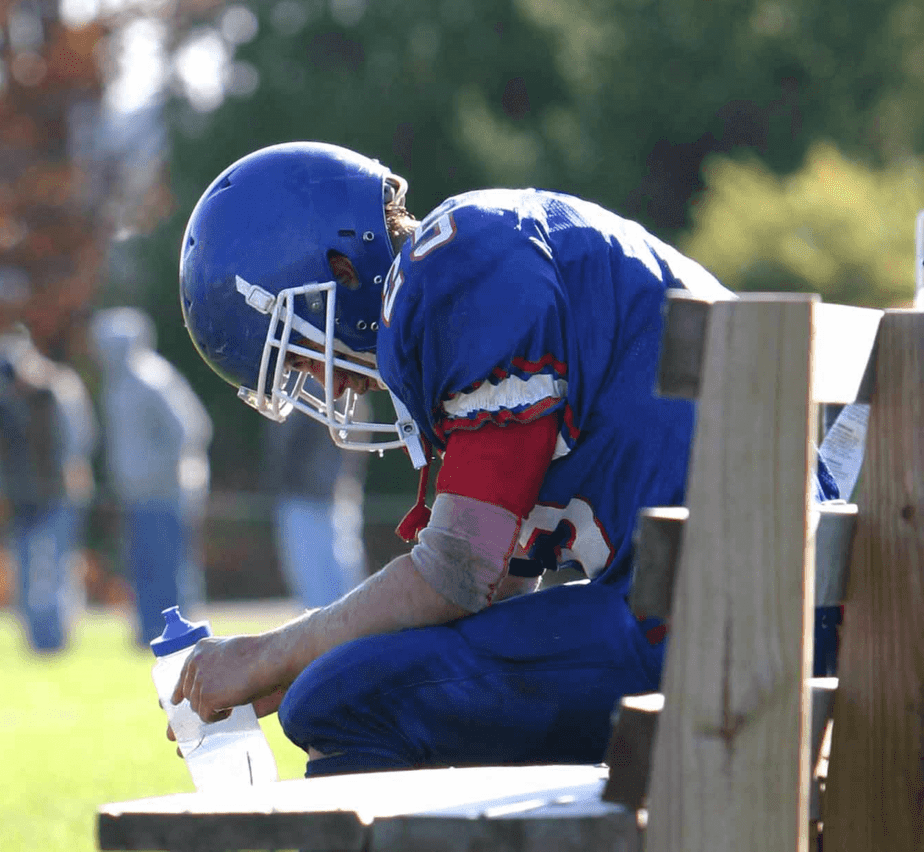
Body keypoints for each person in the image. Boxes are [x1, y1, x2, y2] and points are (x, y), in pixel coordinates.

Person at [171, 141, 842, 775]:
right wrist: (279, 668)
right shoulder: (478, 254)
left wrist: (269, 654)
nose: (324, 382)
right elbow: (490, 593)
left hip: (728, 628)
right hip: (759, 604)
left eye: (295, 349)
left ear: (339, 269)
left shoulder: (459, 273)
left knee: (338, 697)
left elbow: (459, 573)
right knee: (349, 679)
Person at [91, 307, 213, 646]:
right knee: (141, 568)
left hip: (165, 493)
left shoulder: (152, 379)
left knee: (169, 570)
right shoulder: (116, 385)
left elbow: (190, 430)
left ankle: (179, 639)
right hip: (135, 495)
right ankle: (148, 635)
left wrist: (157, 473)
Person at [0, 328, 96, 653]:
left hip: (58, 494)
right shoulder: (0, 404)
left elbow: (79, 440)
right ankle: (35, 641)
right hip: (20, 499)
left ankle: (56, 640)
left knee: (56, 569)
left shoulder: (57, 388)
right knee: (27, 573)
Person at [261, 386, 368, 608]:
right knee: (319, 592)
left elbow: (359, 411)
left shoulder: (317, 381)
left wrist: (350, 474)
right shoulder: (292, 381)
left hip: (326, 498)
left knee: (340, 591)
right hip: (300, 496)